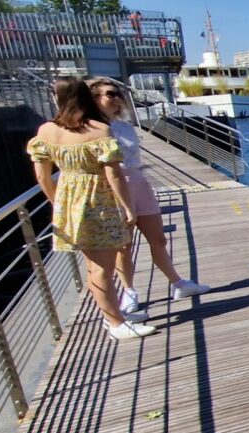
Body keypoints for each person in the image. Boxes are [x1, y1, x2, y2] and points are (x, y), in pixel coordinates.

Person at [26, 78, 154, 342]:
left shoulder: (46, 131)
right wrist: (128, 208)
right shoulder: (98, 130)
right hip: (100, 203)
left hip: (70, 201)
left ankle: (113, 314)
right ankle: (115, 322)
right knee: (103, 269)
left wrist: (58, 204)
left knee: (92, 265)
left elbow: (42, 176)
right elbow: (115, 175)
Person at [88, 78, 210, 307]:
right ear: (94, 98)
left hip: (138, 182)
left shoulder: (125, 126)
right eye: (110, 94)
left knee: (158, 239)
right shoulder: (92, 129)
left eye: (118, 94)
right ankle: (129, 292)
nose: (116, 98)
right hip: (113, 186)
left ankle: (179, 284)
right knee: (124, 246)